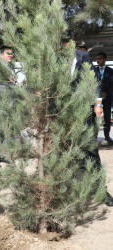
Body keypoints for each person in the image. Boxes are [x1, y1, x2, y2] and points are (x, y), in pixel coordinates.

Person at [70, 41, 113, 207]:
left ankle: (100, 189)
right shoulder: (52, 59)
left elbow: (94, 80)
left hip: (83, 110)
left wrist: (97, 103)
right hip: (62, 113)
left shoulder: (82, 56)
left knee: (90, 149)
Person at [95, 52, 113, 142]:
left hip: (107, 97)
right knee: (94, 117)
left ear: (105, 59)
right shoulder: (93, 70)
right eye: (97, 59)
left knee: (106, 117)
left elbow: (112, 84)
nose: (98, 60)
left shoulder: (111, 71)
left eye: (100, 58)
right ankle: (94, 137)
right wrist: (98, 93)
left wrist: (106, 93)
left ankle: (107, 136)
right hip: (95, 98)